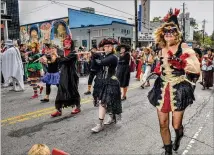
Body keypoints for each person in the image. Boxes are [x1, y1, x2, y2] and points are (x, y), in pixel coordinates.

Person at [147, 8, 200, 155]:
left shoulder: (183, 47)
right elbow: (150, 61)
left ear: (177, 33)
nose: (169, 33)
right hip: (162, 88)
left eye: (172, 31)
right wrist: (151, 57)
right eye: (166, 31)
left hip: (179, 88)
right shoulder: (160, 47)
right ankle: (168, 150)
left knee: (176, 124)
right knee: (163, 124)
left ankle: (178, 135)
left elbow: (196, 67)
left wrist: (182, 63)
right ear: (162, 33)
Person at [91, 38, 122, 133]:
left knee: (104, 102)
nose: (106, 48)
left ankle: (100, 124)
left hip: (111, 82)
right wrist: (93, 57)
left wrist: (96, 56)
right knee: (106, 102)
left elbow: (101, 63)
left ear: (112, 47)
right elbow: (94, 67)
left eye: (109, 46)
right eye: (105, 46)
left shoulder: (113, 57)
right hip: (103, 81)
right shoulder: (104, 55)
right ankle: (112, 118)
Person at [51, 35, 81, 117]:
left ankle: (77, 107)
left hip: (71, 73)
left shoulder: (73, 52)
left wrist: (57, 56)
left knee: (73, 90)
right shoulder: (62, 52)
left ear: (71, 44)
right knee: (61, 89)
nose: (66, 44)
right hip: (64, 73)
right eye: (65, 43)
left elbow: (65, 60)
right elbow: (58, 61)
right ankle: (58, 109)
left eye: (68, 43)